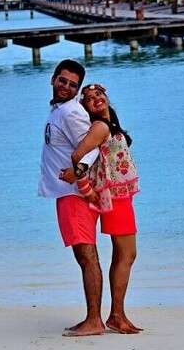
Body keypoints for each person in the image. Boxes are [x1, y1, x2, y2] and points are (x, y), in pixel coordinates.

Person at [59, 83, 143, 334]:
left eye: (99, 95)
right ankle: (114, 315)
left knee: (126, 255)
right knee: (125, 255)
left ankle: (117, 315)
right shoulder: (100, 127)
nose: (95, 99)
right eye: (89, 98)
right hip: (111, 196)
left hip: (120, 195)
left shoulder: (110, 126)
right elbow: (78, 157)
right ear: (85, 108)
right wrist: (85, 188)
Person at [39, 59, 103, 337]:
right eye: (62, 81)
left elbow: (93, 148)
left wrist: (78, 171)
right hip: (67, 194)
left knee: (87, 255)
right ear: (53, 79)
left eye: (72, 85)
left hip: (75, 195)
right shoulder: (59, 110)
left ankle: (94, 321)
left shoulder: (71, 112)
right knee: (83, 256)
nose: (66, 87)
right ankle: (94, 318)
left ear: (77, 90)